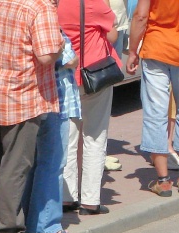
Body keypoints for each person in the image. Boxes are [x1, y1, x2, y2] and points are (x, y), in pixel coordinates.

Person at [0, 0, 63, 233]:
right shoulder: (40, 8)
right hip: (23, 96)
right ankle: (9, 231)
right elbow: (46, 55)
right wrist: (61, 46)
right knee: (15, 165)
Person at [58, 0, 120, 215]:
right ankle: (90, 200)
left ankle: (67, 197)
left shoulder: (53, 4)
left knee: (68, 139)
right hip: (94, 74)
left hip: (66, 77)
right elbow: (112, 35)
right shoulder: (92, 2)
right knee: (95, 136)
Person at [23, 33, 80, 233]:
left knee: (35, 163)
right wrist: (66, 54)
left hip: (38, 99)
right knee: (52, 163)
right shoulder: (49, 26)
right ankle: (45, 224)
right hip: (55, 101)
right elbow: (69, 59)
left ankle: (29, 219)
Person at [125, 0, 179, 197]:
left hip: (157, 47)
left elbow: (141, 16)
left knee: (156, 112)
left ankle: (163, 181)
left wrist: (132, 51)